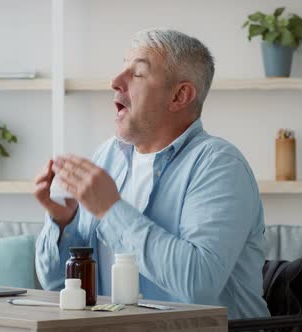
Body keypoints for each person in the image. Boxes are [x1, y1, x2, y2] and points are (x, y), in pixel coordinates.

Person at [34, 28, 269, 319]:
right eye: (122, 69)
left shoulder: (219, 165)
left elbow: (198, 285)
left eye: (138, 74)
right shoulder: (107, 157)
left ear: (179, 96)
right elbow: (57, 284)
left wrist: (110, 210)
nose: (115, 82)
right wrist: (63, 224)